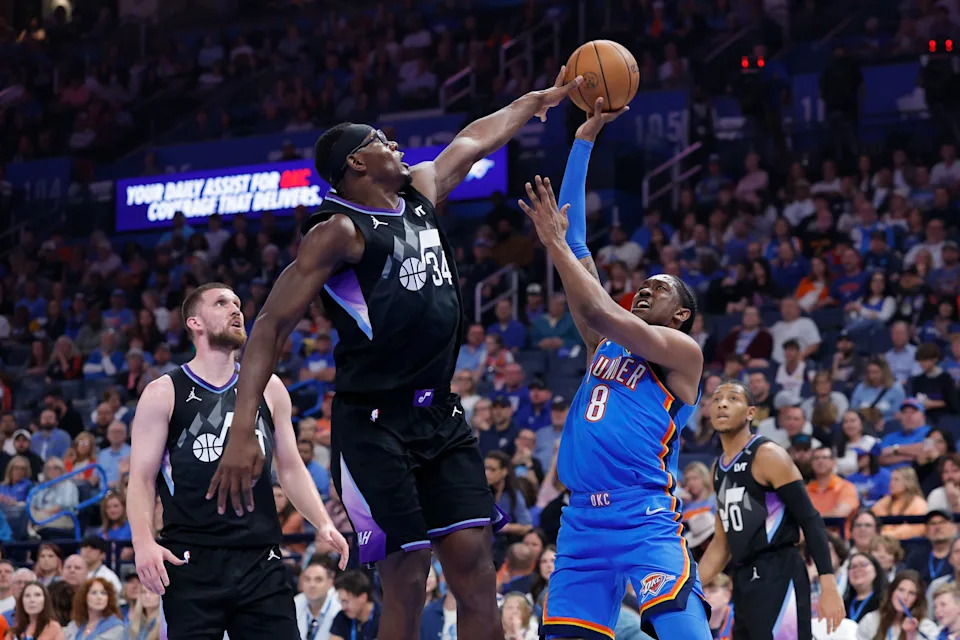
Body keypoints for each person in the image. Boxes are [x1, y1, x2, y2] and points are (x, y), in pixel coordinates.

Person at [210, 67, 582, 640]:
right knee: (408, 578)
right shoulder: (337, 231)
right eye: (382, 140)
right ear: (356, 163)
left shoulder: (421, 193)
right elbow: (269, 327)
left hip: (440, 416)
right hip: (374, 424)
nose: (397, 146)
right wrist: (241, 428)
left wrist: (536, 100)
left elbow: (475, 137)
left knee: (477, 571)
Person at [518, 103, 711, 639]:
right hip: (580, 521)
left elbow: (598, 301)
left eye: (661, 287)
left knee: (681, 630)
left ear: (681, 315)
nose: (646, 286)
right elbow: (576, 242)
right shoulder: (603, 344)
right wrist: (583, 141)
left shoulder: (680, 352)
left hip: (642, 512)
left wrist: (552, 243)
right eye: (644, 282)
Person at [126, 283, 348, 639]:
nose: (235, 309)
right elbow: (140, 479)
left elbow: (289, 466)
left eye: (238, 303)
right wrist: (143, 542)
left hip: (260, 558)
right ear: (195, 323)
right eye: (221, 303)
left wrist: (321, 522)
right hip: (191, 559)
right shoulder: (164, 391)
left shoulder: (270, 387)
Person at [698, 380, 845, 638]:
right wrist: (689, 586)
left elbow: (810, 519)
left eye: (733, 398)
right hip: (743, 577)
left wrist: (828, 584)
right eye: (717, 398)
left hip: (779, 570)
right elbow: (722, 543)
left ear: (751, 412)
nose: (722, 403)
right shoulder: (717, 469)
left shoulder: (768, 455)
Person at [855, 570, 939, 640]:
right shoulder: (871, 620)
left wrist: (911, 635)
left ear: (917, 599)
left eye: (912, 593)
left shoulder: (926, 628)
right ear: (892, 592)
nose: (904, 597)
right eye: (901, 590)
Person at [872, 467, 929, 540]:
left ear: (908, 482)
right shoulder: (884, 501)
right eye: (891, 479)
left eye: (896, 480)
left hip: (909, 544)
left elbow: (918, 528)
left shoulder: (919, 504)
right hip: (882, 542)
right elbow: (872, 517)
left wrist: (888, 535)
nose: (891, 483)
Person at [295, 557, 341, 640]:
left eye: (318, 580)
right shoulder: (295, 603)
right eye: (307, 579)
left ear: (330, 582)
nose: (312, 585)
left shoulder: (340, 606)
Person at [329, 571, 379, 640]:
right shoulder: (342, 617)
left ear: (363, 597)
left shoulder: (385, 618)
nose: (343, 607)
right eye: (341, 602)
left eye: (346, 601)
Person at [844, 552, 886, 623]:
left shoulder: (884, 602)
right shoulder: (842, 604)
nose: (857, 570)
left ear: (876, 570)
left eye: (863, 565)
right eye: (853, 567)